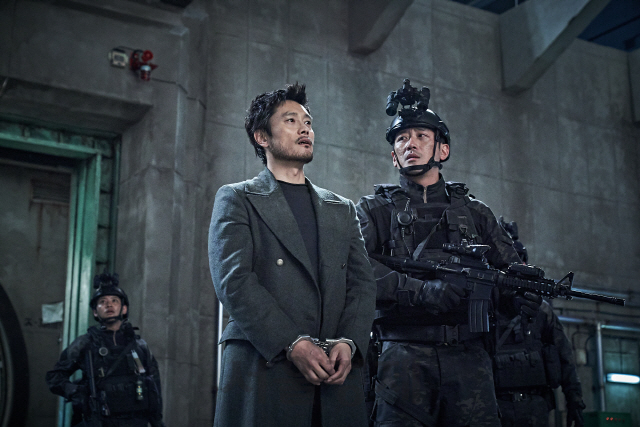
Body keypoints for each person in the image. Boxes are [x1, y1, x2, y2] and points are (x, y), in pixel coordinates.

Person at [356, 79, 537, 426]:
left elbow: (509, 272)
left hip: (468, 357)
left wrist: (520, 299)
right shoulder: (374, 210)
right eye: (401, 139)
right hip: (402, 356)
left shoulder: (476, 212)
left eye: (421, 136)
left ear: (442, 150)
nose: (411, 144)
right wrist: (421, 291)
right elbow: (356, 269)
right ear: (393, 156)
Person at [208, 83, 376, 427]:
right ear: (262, 137)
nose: (305, 129)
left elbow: (362, 283)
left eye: (308, 122)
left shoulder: (342, 209)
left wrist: (349, 342)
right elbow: (233, 282)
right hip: (264, 368)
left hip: (334, 378)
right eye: (291, 120)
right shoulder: (237, 198)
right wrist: (292, 343)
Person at [494, 220, 585, 427]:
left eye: (521, 261)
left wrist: (575, 400)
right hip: (495, 406)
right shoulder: (488, 307)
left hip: (535, 405)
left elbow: (565, 357)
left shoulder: (542, 311)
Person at [46, 272, 165, 427]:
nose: (109, 305)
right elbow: (54, 377)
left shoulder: (140, 346)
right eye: (102, 302)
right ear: (95, 312)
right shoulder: (85, 343)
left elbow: (154, 385)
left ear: (124, 309)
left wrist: (157, 421)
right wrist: (76, 392)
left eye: (114, 301)